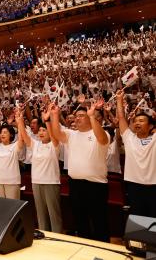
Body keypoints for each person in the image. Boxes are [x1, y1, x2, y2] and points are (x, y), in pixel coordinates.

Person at [50, 101, 110, 242]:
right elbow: (57, 134)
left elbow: (102, 139)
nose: (77, 118)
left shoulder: (102, 133)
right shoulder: (72, 134)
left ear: (90, 117)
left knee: (99, 221)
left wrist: (91, 116)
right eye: (76, 116)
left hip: (96, 185)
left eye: (81, 115)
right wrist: (54, 115)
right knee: (80, 220)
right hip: (75, 184)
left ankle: (104, 250)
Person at [16, 105, 62, 233]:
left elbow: (53, 135)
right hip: (36, 182)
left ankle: (57, 239)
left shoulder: (55, 145)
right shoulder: (35, 145)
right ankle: (44, 237)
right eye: (40, 130)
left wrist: (47, 121)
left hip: (51, 183)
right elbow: (25, 136)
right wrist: (19, 120)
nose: (41, 133)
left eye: (44, 130)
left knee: (54, 214)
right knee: (41, 214)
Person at [116, 90, 156, 218]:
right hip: (134, 186)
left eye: (142, 120)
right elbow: (121, 118)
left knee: (153, 220)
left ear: (150, 126)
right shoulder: (129, 138)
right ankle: (139, 239)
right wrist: (119, 100)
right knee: (138, 221)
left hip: (153, 187)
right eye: (136, 121)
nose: (137, 123)